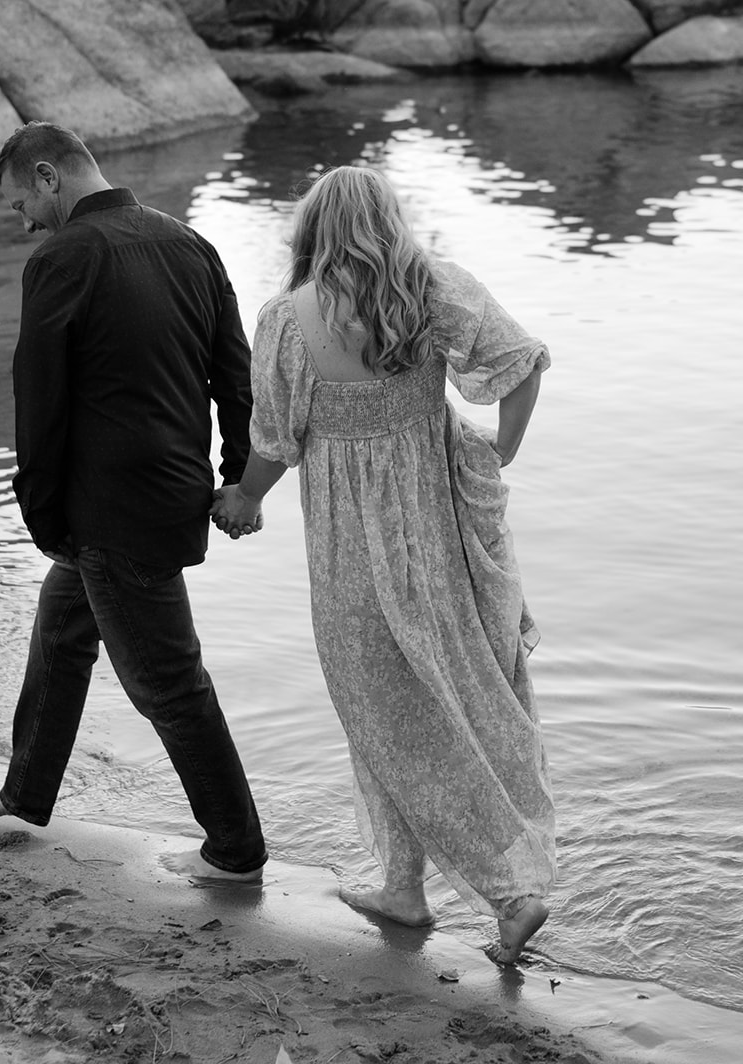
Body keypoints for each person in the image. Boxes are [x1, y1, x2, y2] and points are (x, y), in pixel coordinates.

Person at [212, 166, 555, 962]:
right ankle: (402, 887)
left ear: (311, 231)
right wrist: (501, 448)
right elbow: (524, 360)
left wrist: (244, 501)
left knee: (383, 707)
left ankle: (511, 892)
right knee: (447, 692)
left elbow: (274, 441)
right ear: (387, 221)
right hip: (440, 536)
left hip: (350, 550)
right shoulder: (434, 289)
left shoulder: (289, 321)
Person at [0, 121, 266, 885]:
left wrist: (40, 514)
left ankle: (235, 851)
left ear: (49, 177)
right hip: (170, 493)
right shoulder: (190, 244)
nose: (25, 221)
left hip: (108, 509)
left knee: (166, 683)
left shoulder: (63, 257)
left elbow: (38, 404)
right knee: (64, 628)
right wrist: (236, 476)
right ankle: (26, 792)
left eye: (20, 204)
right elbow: (235, 378)